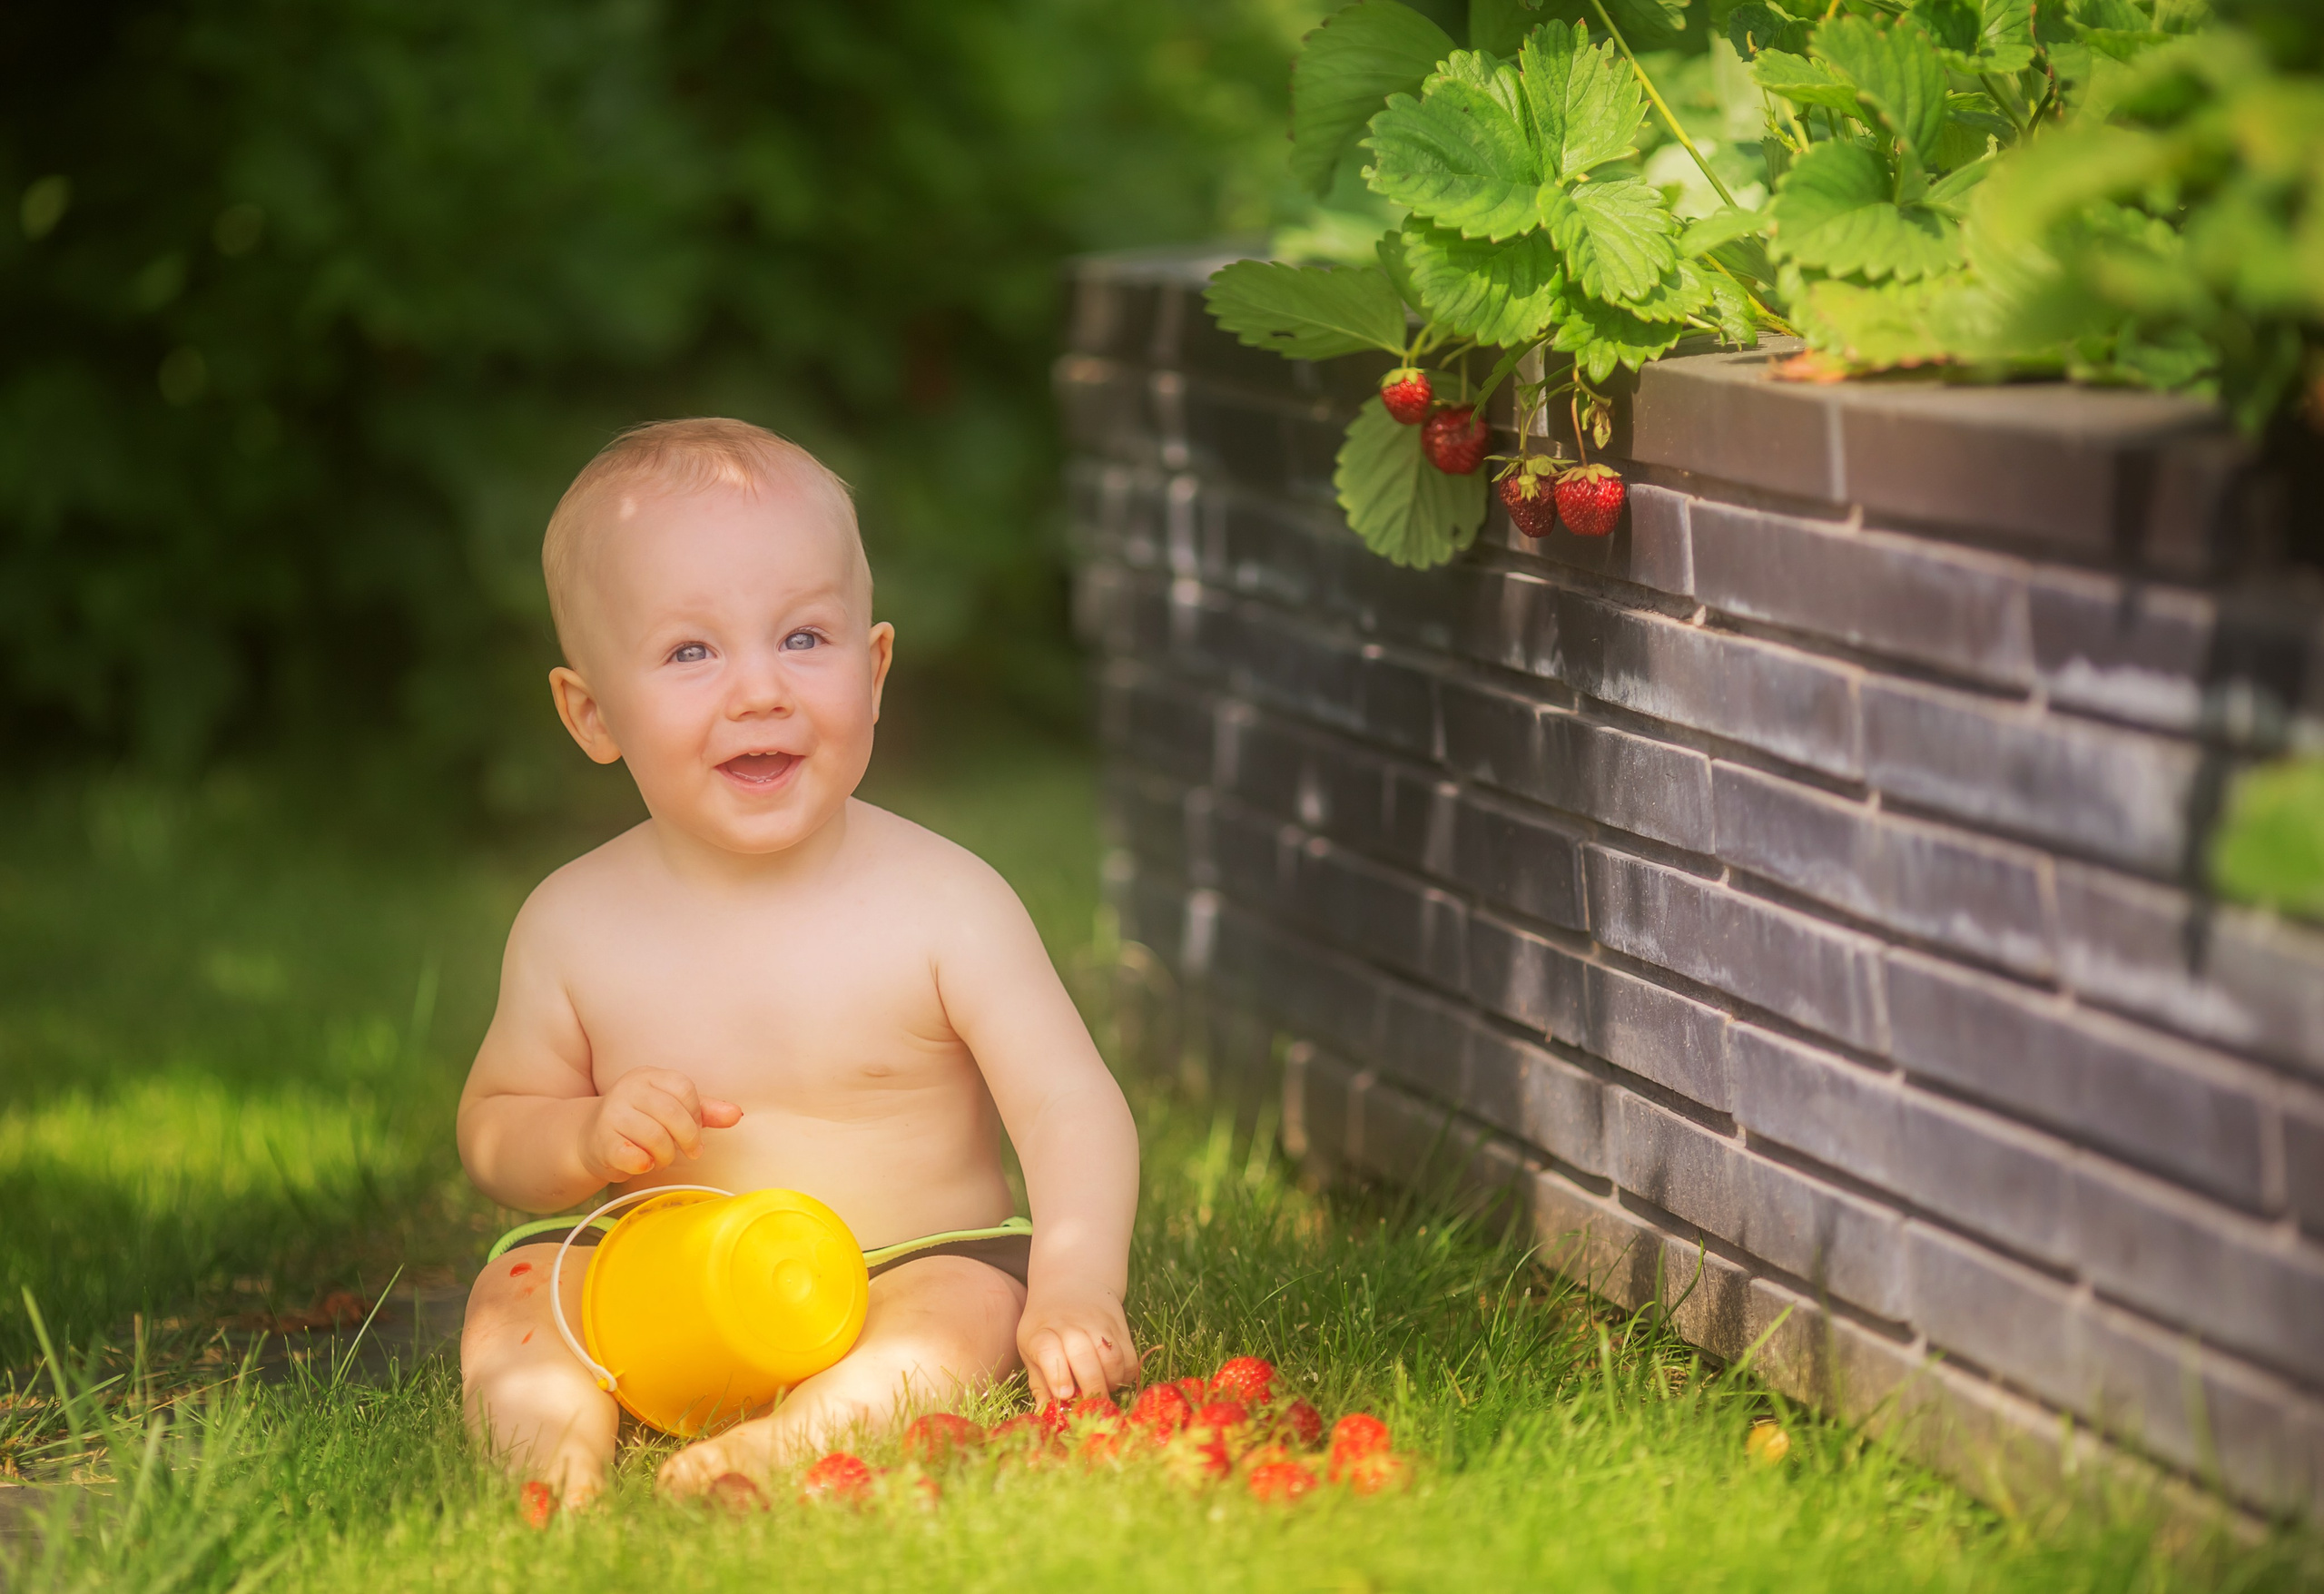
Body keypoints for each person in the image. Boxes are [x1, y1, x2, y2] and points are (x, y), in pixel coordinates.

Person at [454, 418, 1138, 1507]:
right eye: (691, 652)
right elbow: (495, 1127)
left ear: (874, 670)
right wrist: (581, 1135)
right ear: (592, 714)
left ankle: (790, 1447)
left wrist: (1073, 1283)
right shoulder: (571, 924)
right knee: (518, 1287)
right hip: (658, 1281)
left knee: (966, 1310)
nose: (760, 690)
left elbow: (1068, 1104)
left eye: (804, 638)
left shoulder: (946, 902)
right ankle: (550, 1467)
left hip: (895, 1274)